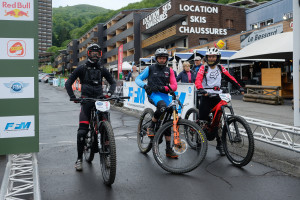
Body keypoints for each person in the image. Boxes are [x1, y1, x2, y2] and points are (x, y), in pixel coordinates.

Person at [65, 43, 116, 171]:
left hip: (100, 100)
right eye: (92, 53)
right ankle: (79, 159)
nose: (95, 55)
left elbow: (113, 82)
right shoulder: (81, 68)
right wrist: (73, 96)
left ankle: (108, 155)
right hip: (86, 101)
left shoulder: (102, 69)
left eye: (97, 53)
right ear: (88, 54)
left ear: (100, 55)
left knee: (106, 128)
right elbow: (68, 83)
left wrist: (109, 94)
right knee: (82, 131)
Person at [195, 47, 244, 156]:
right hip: (206, 96)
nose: (211, 58)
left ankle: (220, 144)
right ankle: (199, 139)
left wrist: (239, 87)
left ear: (217, 58)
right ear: (207, 58)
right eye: (209, 57)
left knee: (219, 121)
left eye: (213, 56)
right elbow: (198, 80)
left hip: (218, 96)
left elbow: (230, 78)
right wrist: (201, 89)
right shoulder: (204, 68)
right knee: (203, 120)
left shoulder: (221, 68)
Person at [135, 48, 178, 158]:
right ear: (156, 59)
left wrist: (163, 88)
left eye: (164, 58)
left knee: (168, 119)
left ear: (166, 59)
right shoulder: (150, 68)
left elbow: (174, 86)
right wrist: (145, 86)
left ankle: (168, 149)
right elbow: (138, 79)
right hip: (153, 94)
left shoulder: (170, 71)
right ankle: (151, 125)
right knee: (162, 107)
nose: (162, 60)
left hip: (164, 95)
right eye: (160, 58)